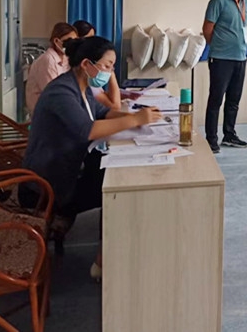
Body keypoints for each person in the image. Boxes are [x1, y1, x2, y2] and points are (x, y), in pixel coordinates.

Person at [20, 37, 162, 280]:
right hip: (47, 184)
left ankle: (108, 252)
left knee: (120, 172)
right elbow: (88, 130)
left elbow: (104, 113)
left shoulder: (81, 87)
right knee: (121, 190)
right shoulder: (61, 92)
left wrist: (138, 116)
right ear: (87, 64)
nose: (110, 72)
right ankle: (104, 261)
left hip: (70, 168)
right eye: (107, 66)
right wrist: (135, 120)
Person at [202, 0, 247, 154]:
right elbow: (207, 29)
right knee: (216, 100)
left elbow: (243, 28)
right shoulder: (218, 1)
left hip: (240, 58)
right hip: (221, 59)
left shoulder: (246, 4)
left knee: (234, 100)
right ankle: (211, 139)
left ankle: (229, 135)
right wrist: (218, 47)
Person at [25, 22, 77, 115]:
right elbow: (55, 94)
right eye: (69, 41)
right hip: (45, 113)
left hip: (57, 107)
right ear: (56, 41)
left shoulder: (66, 58)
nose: (72, 45)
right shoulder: (48, 61)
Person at [73, 19, 122, 110]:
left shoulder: (91, 75)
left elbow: (102, 96)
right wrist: (109, 69)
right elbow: (115, 106)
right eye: (88, 39)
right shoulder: (84, 73)